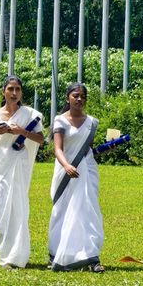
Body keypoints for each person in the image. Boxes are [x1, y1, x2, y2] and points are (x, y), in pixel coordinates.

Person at [0, 75, 44, 269]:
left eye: (17, 89)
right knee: (0, 210)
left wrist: (20, 131)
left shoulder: (30, 114)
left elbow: (41, 139)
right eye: (10, 89)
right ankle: (4, 254)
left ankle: (17, 256)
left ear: (21, 93)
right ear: (3, 91)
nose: (14, 93)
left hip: (19, 163)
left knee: (18, 207)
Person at [48, 82, 104, 272]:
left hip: (86, 171)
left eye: (82, 96)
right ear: (68, 98)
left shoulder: (91, 122)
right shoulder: (60, 120)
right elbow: (57, 148)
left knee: (87, 211)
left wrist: (106, 149)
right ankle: (55, 253)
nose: (79, 99)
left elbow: (87, 150)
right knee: (61, 211)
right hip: (65, 171)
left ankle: (90, 257)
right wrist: (66, 166)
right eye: (76, 96)